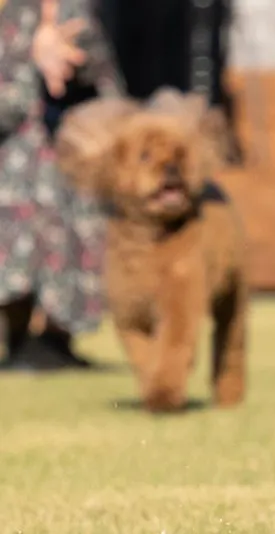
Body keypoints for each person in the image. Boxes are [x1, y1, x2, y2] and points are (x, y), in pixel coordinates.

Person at [0, 0, 123, 371]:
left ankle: (53, 340)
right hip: (20, 155)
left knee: (63, 227)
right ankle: (23, 340)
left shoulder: (67, 11)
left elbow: (100, 77)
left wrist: (63, 51)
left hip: (65, 152)